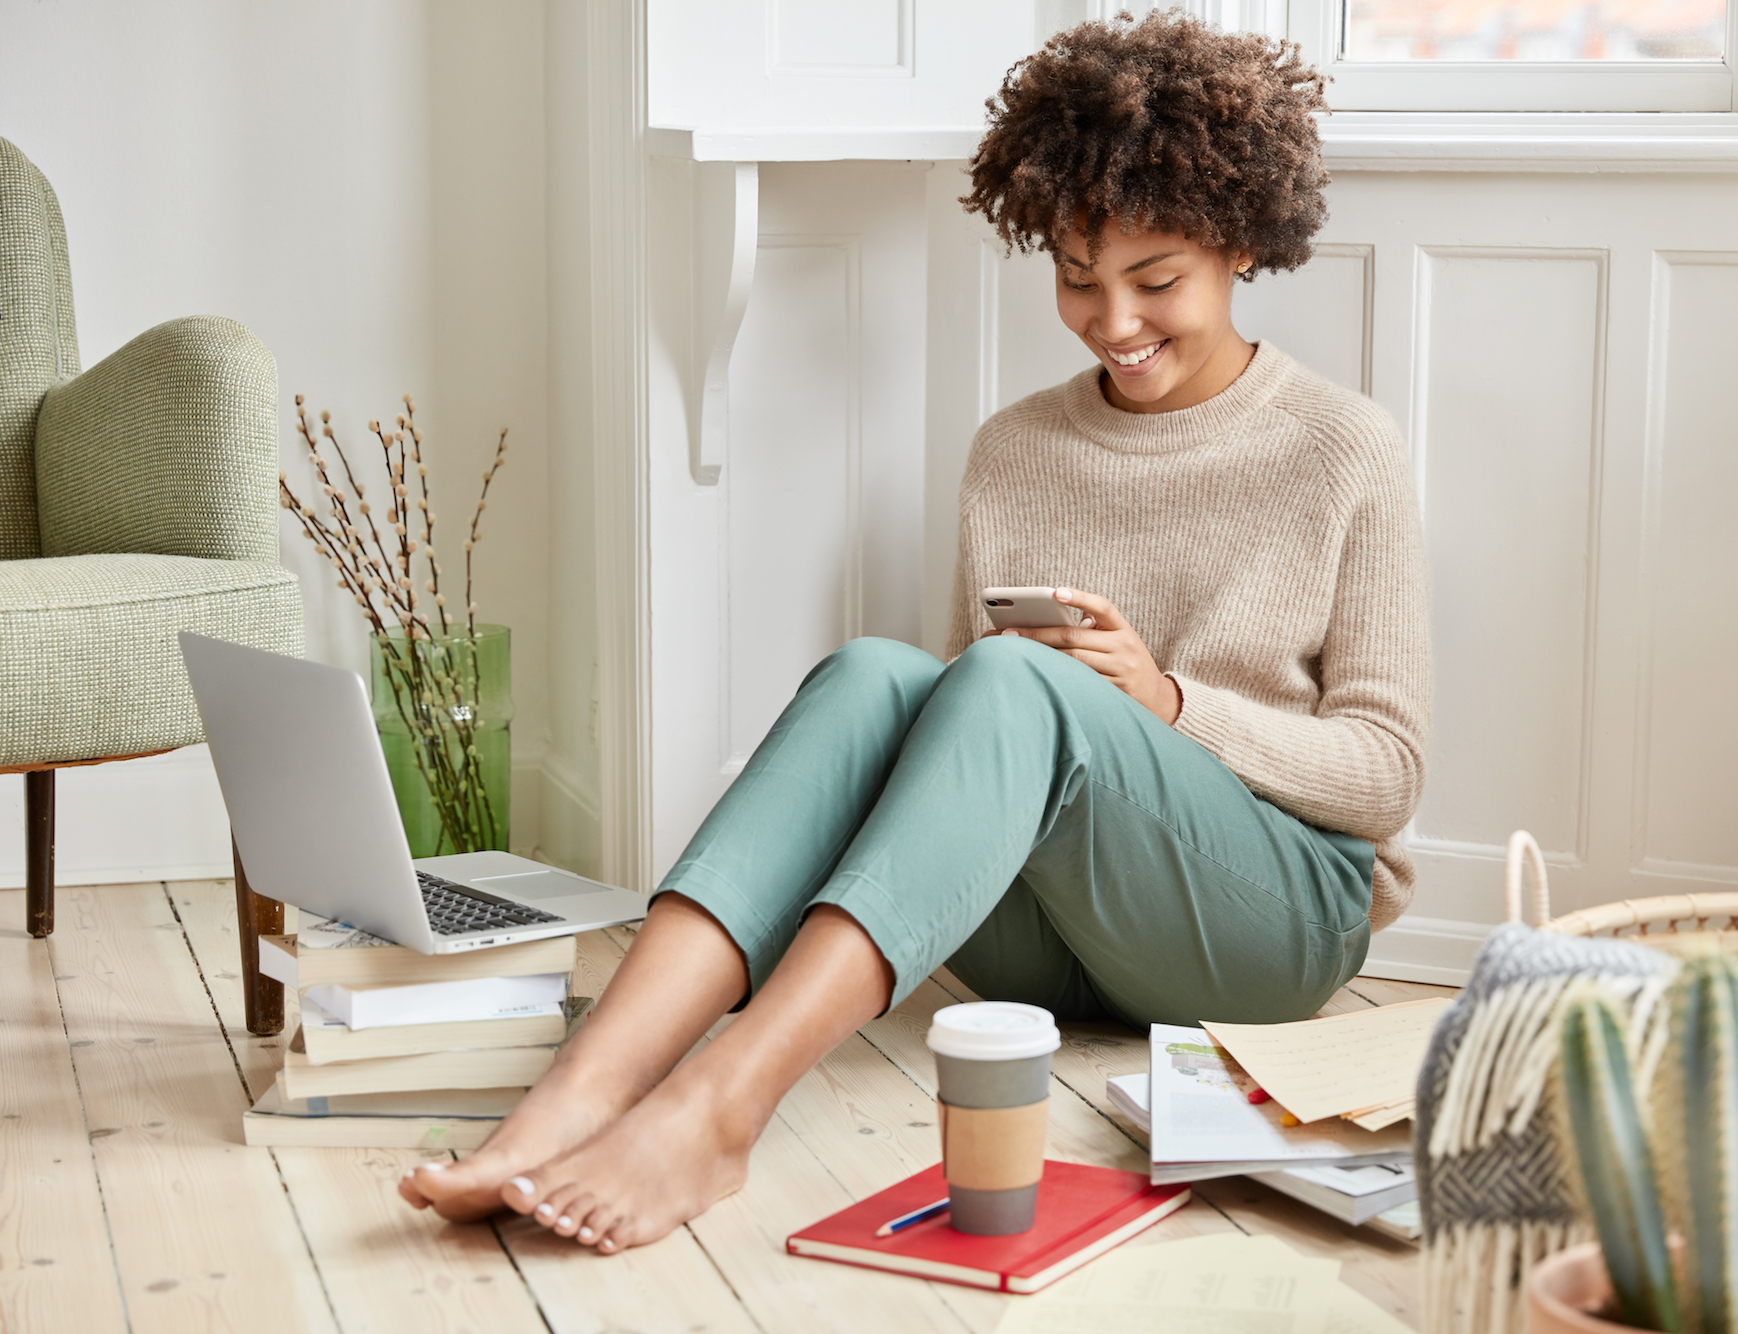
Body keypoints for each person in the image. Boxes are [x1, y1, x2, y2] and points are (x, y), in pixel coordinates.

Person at [399, 10, 1430, 1256]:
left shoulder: (1341, 447)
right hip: (1045, 949)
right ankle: (571, 1098)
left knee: (997, 682)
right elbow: (961, 738)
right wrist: (1019, 701)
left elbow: (1383, 776)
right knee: (876, 675)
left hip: (1264, 924)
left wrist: (1163, 704)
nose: (1112, 321)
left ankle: (721, 1108)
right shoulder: (1015, 450)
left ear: (1237, 245)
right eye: (1074, 277)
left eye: (1153, 280)